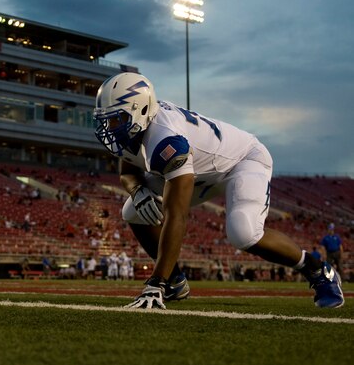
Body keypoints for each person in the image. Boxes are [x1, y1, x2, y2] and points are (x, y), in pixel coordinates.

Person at [93, 72, 344, 309]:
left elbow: (176, 216)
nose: (110, 127)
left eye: (117, 118)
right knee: (133, 210)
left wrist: (154, 282)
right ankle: (175, 282)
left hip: (241, 161)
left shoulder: (166, 138)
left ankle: (317, 269)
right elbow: (128, 172)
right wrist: (137, 191)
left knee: (243, 233)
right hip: (202, 171)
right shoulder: (136, 130)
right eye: (106, 119)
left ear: (142, 110)